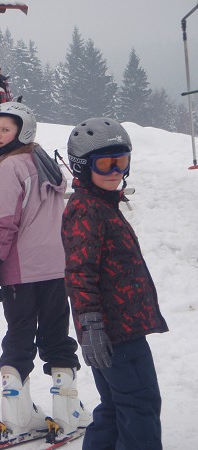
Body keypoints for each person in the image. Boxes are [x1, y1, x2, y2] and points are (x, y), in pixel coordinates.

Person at [0, 102, 90, 443]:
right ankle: (67, 411)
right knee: (56, 335)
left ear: (22, 132)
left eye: (5, 129)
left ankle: (17, 416)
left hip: (21, 271)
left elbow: (2, 223)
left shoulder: (11, 168)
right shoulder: (44, 163)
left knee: (19, 335)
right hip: (56, 268)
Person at [62, 117, 168, 450]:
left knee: (115, 406)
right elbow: (79, 273)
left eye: (121, 161)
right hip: (115, 333)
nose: (116, 171)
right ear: (83, 167)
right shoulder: (87, 210)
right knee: (140, 405)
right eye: (106, 163)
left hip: (118, 330)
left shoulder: (101, 204)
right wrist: (92, 326)